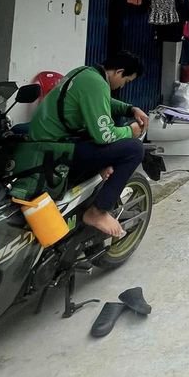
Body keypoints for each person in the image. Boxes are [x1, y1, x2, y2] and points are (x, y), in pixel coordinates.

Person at [28, 51, 149, 238]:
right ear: (119, 72)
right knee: (134, 149)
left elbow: (103, 101)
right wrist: (130, 131)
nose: (123, 86)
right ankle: (98, 212)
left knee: (107, 138)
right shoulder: (96, 83)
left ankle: (95, 177)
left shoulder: (83, 72)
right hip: (57, 150)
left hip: (48, 143)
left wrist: (130, 109)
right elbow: (105, 136)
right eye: (126, 81)